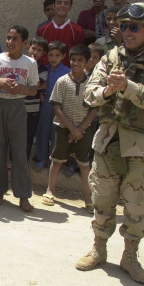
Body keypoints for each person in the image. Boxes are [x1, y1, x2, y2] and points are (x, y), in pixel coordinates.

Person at [75, 2, 144, 284]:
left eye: (135, 27)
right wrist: (109, 89)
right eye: (124, 27)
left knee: (136, 204)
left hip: (143, 146)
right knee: (102, 199)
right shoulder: (111, 57)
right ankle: (99, 248)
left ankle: (130, 256)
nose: (127, 32)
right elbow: (90, 95)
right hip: (109, 141)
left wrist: (127, 87)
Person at [0, 25, 39, 212]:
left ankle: (23, 195)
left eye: (15, 39)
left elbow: (33, 89)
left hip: (17, 108)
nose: (10, 42)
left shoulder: (29, 63)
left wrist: (21, 89)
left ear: (24, 42)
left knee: (19, 152)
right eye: (8, 38)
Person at [42, 44, 97, 212]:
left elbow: (94, 109)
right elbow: (57, 108)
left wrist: (79, 129)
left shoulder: (92, 83)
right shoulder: (63, 81)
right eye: (73, 59)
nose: (76, 63)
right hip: (63, 128)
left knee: (84, 164)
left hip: (84, 130)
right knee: (57, 160)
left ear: (87, 62)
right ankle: (50, 190)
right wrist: (72, 129)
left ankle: (88, 197)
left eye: (80, 60)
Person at [34, 40, 71, 169]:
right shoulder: (45, 69)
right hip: (45, 102)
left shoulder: (67, 72)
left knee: (57, 131)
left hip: (60, 104)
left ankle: (55, 159)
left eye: (57, 55)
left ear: (63, 56)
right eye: (50, 55)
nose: (53, 58)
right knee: (42, 129)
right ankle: (41, 158)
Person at [37, 0, 84, 66]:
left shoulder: (77, 30)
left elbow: (78, 55)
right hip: (47, 73)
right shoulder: (43, 29)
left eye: (66, 3)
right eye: (59, 3)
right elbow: (40, 53)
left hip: (68, 73)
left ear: (70, 7)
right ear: (54, 6)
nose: (62, 6)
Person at [25, 36, 48, 160]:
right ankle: (13, 161)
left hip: (33, 108)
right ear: (28, 47)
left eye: (39, 50)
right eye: (33, 48)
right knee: (15, 135)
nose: (35, 52)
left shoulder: (43, 69)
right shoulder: (20, 62)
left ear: (43, 53)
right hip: (18, 106)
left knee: (28, 136)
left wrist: (31, 85)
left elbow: (36, 84)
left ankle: (23, 162)